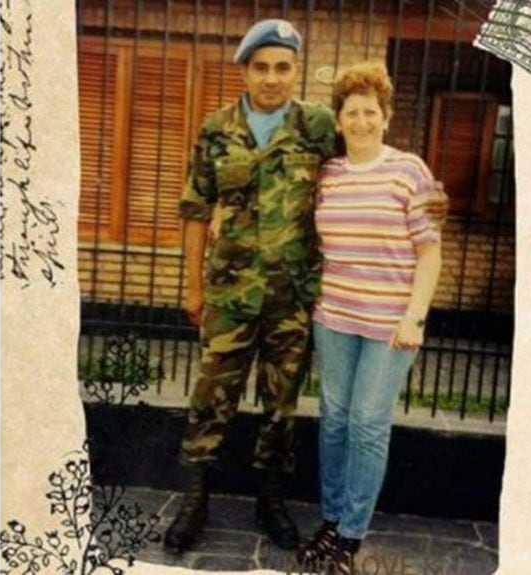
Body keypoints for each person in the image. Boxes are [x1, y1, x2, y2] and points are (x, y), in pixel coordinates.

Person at [164, 18, 338, 554]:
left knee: (281, 405)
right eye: (261, 67)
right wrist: (191, 287)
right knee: (211, 397)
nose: (271, 78)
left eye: (282, 68)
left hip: (292, 295)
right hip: (230, 295)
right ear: (244, 70)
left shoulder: (317, 127)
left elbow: (363, 172)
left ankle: (271, 500)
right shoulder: (217, 129)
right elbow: (195, 210)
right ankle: (195, 500)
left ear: (295, 71)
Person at [296, 61, 445, 573]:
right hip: (335, 317)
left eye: (370, 112)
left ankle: (352, 534)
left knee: (366, 425)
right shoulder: (329, 175)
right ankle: (332, 521)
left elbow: (430, 253)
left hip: (390, 325)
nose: (361, 121)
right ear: (338, 121)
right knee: (333, 422)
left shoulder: (409, 171)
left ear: (385, 118)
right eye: (351, 112)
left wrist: (415, 318)